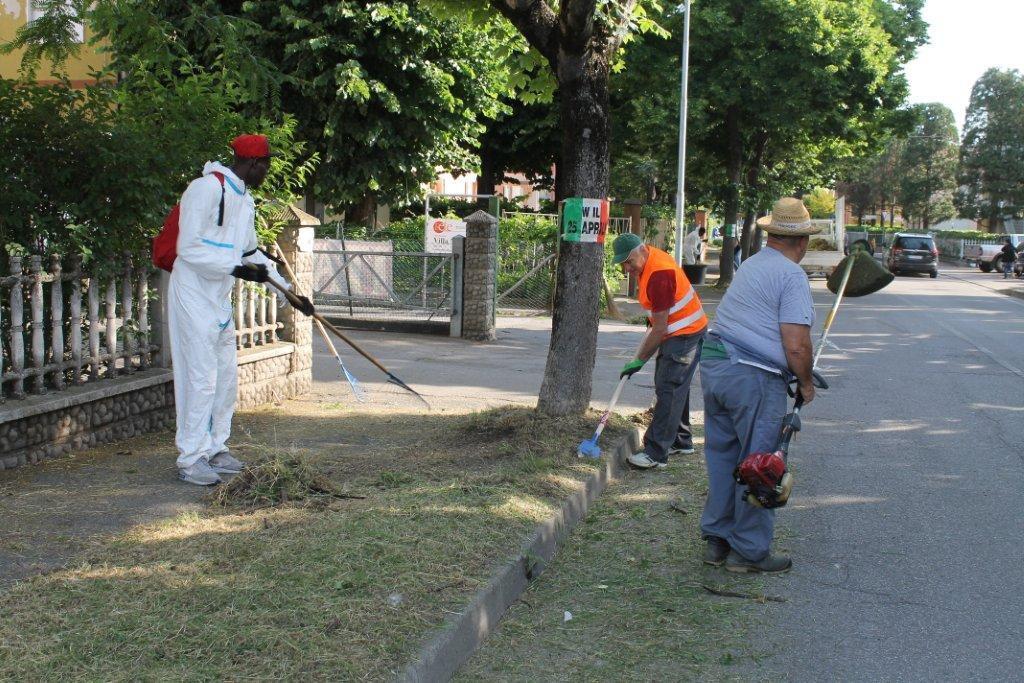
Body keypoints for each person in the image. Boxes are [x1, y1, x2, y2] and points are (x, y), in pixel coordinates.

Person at [170, 134, 315, 486]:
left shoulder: (245, 201)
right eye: (265, 166)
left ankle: (216, 448)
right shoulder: (204, 190)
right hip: (191, 293)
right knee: (200, 377)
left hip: (217, 297)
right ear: (252, 164)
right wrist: (234, 268)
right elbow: (187, 247)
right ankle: (191, 457)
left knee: (224, 377)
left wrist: (287, 292)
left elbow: (250, 253)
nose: (266, 173)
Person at [698, 197, 819, 574]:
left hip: (716, 364)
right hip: (753, 375)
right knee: (760, 465)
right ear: (802, 241)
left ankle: (717, 539)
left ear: (772, 235)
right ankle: (748, 551)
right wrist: (806, 381)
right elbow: (796, 343)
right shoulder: (791, 275)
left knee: (723, 457)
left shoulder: (751, 264)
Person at [612, 233, 708, 469]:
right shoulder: (651, 261)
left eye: (629, 261)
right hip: (683, 330)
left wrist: (639, 361)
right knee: (676, 385)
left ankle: (656, 453)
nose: (627, 268)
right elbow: (659, 313)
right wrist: (652, 320)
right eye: (623, 264)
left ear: (642, 249)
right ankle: (681, 440)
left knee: (669, 387)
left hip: (684, 333)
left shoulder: (659, 273)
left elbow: (661, 327)